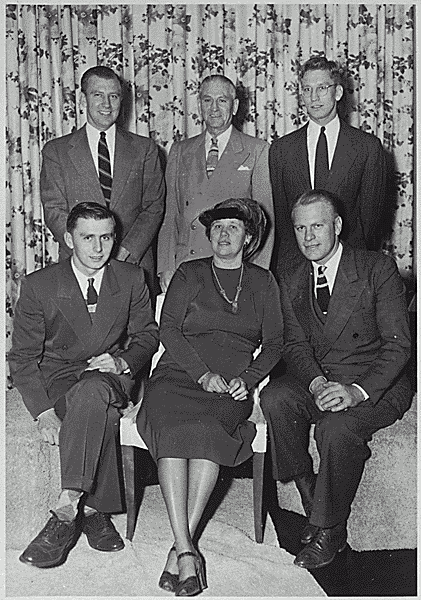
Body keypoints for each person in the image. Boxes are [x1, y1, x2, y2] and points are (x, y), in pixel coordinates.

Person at [137, 198, 283, 595]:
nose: (222, 234)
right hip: (179, 375)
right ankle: (187, 550)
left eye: (233, 227)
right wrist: (201, 374)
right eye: (217, 227)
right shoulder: (190, 273)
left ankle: (179, 550)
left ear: (249, 238)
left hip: (232, 382)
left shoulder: (263, 282)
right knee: (171, 425)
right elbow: (168, 330)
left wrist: (248, 379)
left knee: (206, 432)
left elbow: (274, 344)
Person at [260, 190, 412, 570]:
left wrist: (356, 392)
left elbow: (398, 346)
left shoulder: (377, 268)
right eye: (300, 228)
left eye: (317, 226)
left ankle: (329, 529)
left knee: (335, 428)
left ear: (337, 226)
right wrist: (314, 383)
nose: (309, 237)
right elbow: (294, 344)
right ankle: (307, 488)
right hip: (322, 380)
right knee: (276, 399)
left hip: (375, 384)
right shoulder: (291, 278)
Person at [8, 202, 159, 568]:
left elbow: (148, 336)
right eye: (87, 237)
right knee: (96, 410)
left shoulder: (132, 277)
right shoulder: (39, 284)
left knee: (94, 391)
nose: (97, 247)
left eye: (106, 237)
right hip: (59, 377)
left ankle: (65, 508)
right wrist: (43, 411)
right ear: (68, 238)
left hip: (110, 372)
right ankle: (94, 511)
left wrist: (123, 361)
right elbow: (23, 357)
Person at [40, 65, 165, 297]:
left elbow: (153, 207)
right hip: (78, 268)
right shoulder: (56, 151)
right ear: (82, 100)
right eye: (98, 95)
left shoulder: (145, 149)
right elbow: (54, 211)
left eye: (114, 96)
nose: (106, 104)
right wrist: (89, 252)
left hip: (132, 265)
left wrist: (123, 253)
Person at [269, 56, 386, 278]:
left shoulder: (367, 147)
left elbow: (371, 222)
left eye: (322, 88)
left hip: (351, 270)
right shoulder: (281, 150)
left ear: (338, 92)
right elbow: (283, 222)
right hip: (297, 271)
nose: (314, 97)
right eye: (307, 89)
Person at [157, 74, 274, 292]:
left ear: (235, 105)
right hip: (186, 266)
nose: (214, 108)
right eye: (207, 100)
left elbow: (264, 221)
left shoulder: (257, 150)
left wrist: (257, 275)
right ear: (199, 105)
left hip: (234, 268)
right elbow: (170, 215)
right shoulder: (180, 151)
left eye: (222, 100)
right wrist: (166, 266)